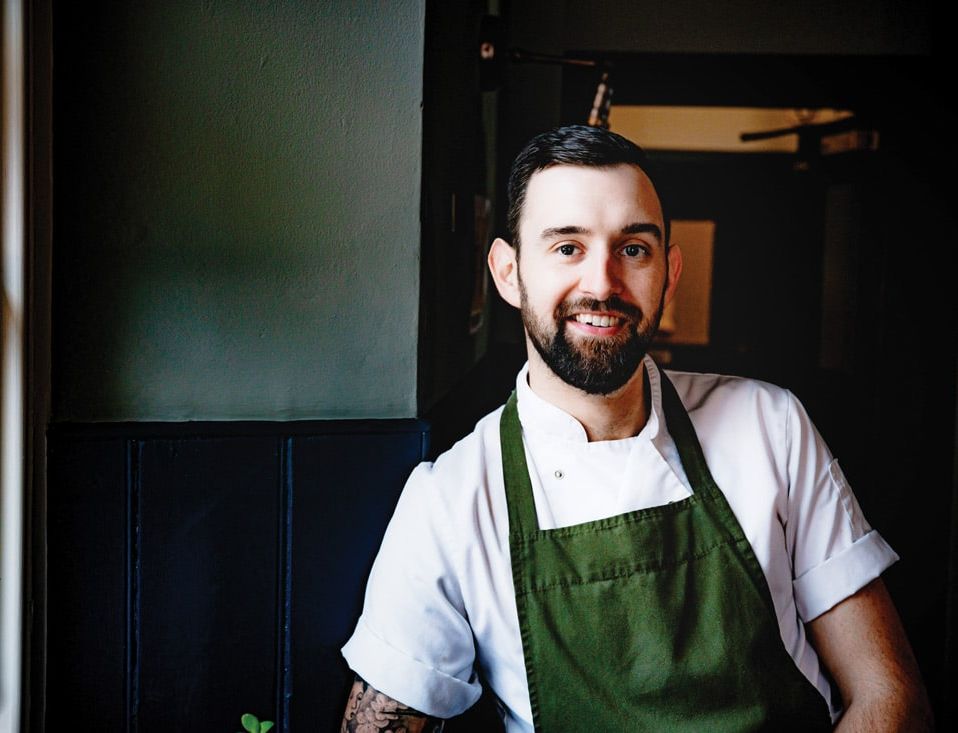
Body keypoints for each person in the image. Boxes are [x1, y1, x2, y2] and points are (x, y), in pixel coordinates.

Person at [340, 125, 932, 732]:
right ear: (508, 272)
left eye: (633, 249)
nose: (602, 284)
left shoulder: (770, 424)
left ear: (668, 272)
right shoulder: (450, 501)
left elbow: (890, 695)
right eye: (567, 247)